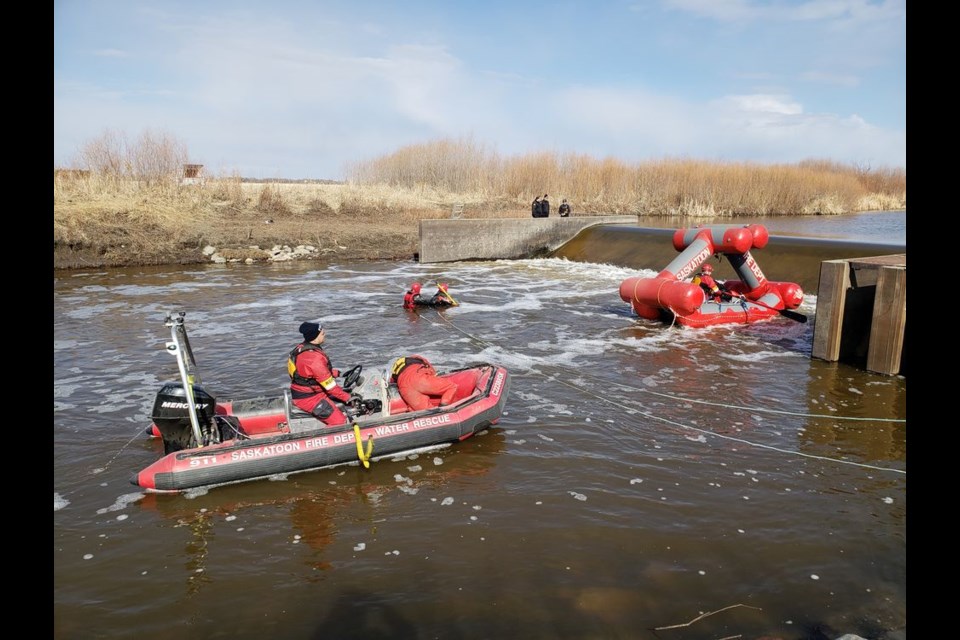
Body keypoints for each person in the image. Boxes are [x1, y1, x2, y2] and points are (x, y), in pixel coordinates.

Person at [287, 321, 357, 426]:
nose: (325, 334)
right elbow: (331, 387)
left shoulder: (302, 348)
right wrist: (348, 398)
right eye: (322, 333)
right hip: (309, 397)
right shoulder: (314, 359)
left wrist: (339, 374)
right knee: (339, 421)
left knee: (343, 397)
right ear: (315, 336)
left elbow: (313, 374)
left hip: (309, 391)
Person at [390, 354, 458, 411]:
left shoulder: (394, 372)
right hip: (419, 378)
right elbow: (432, 371)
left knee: (425, 412)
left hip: (405, 387)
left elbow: (392, 383)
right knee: (451, 387)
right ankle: (443, 407)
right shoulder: (416, 358)